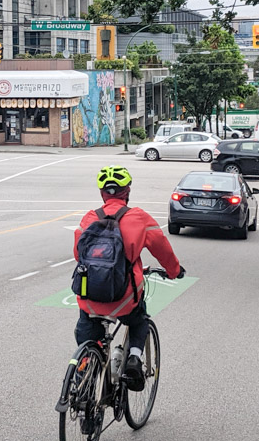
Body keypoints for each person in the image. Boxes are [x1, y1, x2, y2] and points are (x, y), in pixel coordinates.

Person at [72, 166, 184, 391]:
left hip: (90, 295)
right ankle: (133, 358)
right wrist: (174, 271)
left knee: (86, 325)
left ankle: (84, 367)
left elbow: (78, 254)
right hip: (124, 297)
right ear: (127, 191)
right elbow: (162, 249)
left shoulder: (89, 218)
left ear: (103, 193)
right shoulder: (139, 218)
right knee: (138, 319)